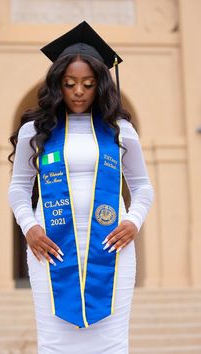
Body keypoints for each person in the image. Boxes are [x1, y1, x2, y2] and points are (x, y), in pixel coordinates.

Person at [8, 21, 154, 354]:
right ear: (57, 84)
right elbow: (18, 187)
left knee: (112, 342)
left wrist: (133, 220)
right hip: (50, 247)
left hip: (111, 247)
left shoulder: (119, 130)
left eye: (87, 84)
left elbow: (143, 187)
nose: (78, 92)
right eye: (70, 83)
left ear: (100, 85)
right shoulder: (37, 130)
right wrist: (29, 227)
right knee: (55, 342)